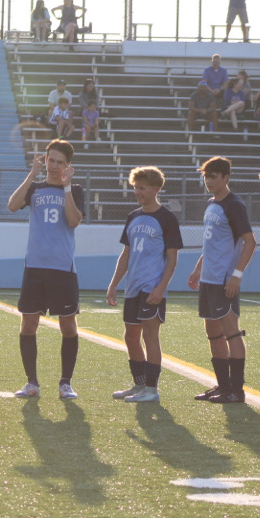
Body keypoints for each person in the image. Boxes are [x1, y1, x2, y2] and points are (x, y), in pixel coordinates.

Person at [7, 140, 85, 399]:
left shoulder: (74, 190)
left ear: (68, 166)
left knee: (68, 327)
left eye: (59, 162)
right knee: (28, 324)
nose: (53, 166)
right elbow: (12, 205)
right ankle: (32, 383)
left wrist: (66, 187)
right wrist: (32, 174)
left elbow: (73, 220)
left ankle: (65, 383)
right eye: (50, 160)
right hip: (35, 268)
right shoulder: (36, 188)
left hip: (62, 268)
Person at [106, 166, 182, 403]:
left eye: (143, 188)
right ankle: (138, 385)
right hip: (133, 287)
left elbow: (172, 258)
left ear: (156, 189)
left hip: (152, 287)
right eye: (136, 187)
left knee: (150, 336)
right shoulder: (133, 216)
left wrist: (161, 287)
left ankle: (151, 389)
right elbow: (125, 254)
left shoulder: (167, 218)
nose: (138, 192)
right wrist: (113, 284)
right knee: (130, 336)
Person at [187, 157, 256, 403]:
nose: (209, 181)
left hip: (224, 280)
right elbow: (213, 244)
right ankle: (223, 386)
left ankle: (236, 391)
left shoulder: (234, 205)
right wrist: (198, 269)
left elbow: (250, 241)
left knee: (231, 333)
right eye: (206, 176)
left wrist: (237, 275)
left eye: (214, 176)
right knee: (212, 332)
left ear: (226, 178)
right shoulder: (211, 204)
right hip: (208, 279)